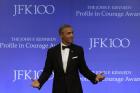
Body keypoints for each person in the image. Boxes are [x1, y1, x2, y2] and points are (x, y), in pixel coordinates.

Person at [32, 24, 105, 93]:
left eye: (72, 33)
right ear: (61, 35)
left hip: (75, 89)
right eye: (69, 33)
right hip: (58, 90)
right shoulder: (52, 51)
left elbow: (83, 69)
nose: (72, 35)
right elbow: (47, 71)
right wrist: (39, 81)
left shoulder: (78, 50)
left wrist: (94, 77)